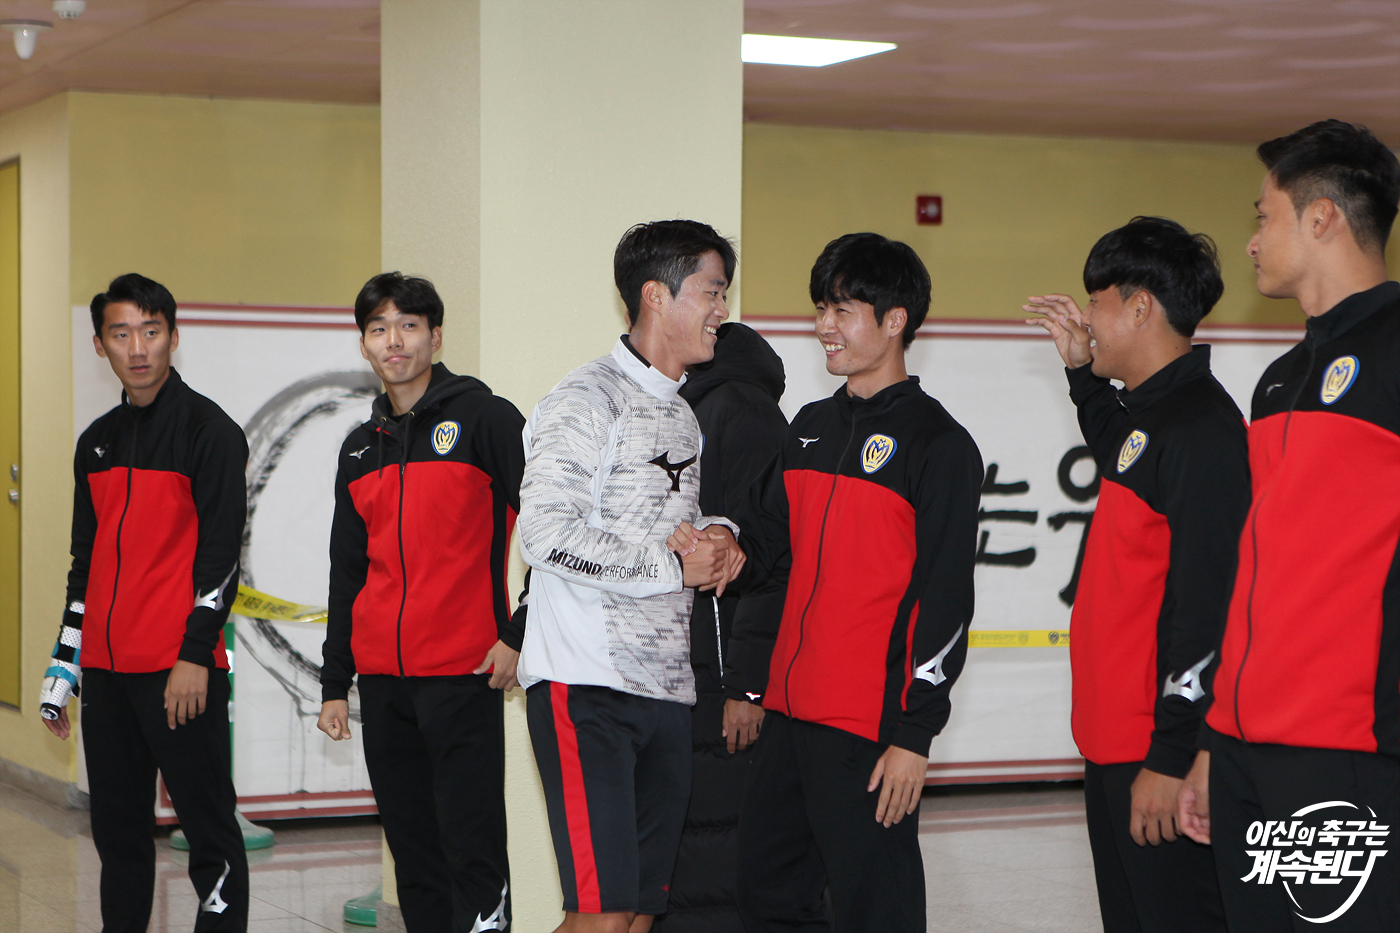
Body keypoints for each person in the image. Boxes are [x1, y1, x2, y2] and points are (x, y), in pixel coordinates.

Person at [723, 232, 983, 932]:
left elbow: (947, 600)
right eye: (820, 308)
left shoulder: (940, 444)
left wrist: (915, 735)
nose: (824, 326)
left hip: (870, 727)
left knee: (876, 909)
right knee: (765, 893)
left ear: (895, 319)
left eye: (842, 309)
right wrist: (725, 546)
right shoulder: (809, 427)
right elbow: (766, 550)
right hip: (789, 715)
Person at [1177, 120, 1400, 931]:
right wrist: (1213, 739)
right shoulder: (1279, 378)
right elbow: (1255, 572)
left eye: (1263, 217)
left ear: (1322, 218)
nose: (1250, 241)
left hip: (1348, 748)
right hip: (1245, 746)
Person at [516, 219, 744, 933]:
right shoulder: (584, 399)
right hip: (586, 688)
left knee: (640, 914)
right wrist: (672, 565)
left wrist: (720, 537)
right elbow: (544, 535)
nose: (722, 309)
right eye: (712, 291)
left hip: (667, 691)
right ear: (656, 295)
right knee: (603, 915)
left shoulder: (681, 413)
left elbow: (664, 520)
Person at [1025, 217, 1246, 933]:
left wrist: (1173, 754)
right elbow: (1119, 442)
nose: (1087, 319)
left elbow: (1208, 606)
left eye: (1097, 302)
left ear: (1140, 306)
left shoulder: (1201, 430)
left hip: (1155, 749)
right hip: (1112, 743)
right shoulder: (1152, 415)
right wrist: (1079, 371)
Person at [39, 273, 250, 932]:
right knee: (119, 836)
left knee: (209, 833)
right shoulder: (95, 444)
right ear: (100, 344)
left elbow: (222, 558)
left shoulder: (210, 432)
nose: (138, 348)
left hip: (178, 668)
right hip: (106, 674)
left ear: (174, 337)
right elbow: (84, 567)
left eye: (151, 331)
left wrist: (194, 654)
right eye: (121, 333)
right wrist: (64, 664)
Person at [317, 272, 525, 933]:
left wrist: (519, 632)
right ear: (364, 345)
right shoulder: (360, 447)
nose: (394, 341)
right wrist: (334, 682)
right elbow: (348, 572)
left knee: (472, 846)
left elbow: (554, 531)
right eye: (379, 328)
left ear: (435, 337)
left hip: (464, 671)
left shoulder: (486, 419)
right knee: (413, 854)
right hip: (383, 679)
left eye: (408, 326)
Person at [653, 322, 789, 933]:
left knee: (716, 834)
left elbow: (768, 559)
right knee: (699, 833)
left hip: (720, 672)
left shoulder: (735, 411)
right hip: (696, 667)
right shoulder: (695, 410)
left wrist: (748, 686)